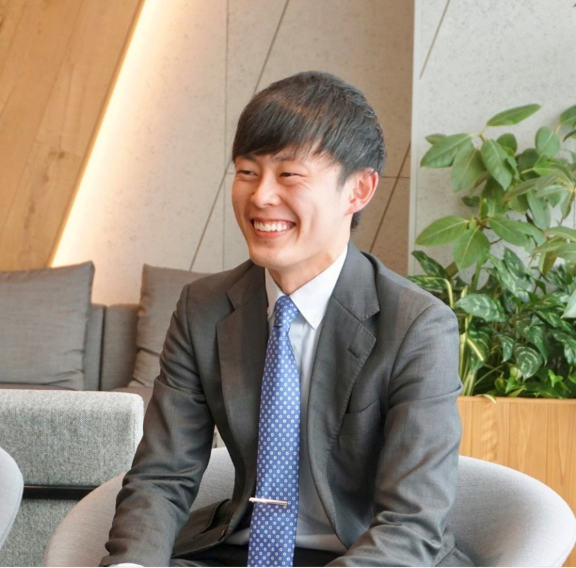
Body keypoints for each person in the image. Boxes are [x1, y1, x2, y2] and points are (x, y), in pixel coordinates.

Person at [101, 71, 474, 567]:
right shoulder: (203, 308)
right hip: (238, 549)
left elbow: (411, 523)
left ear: (359, 189)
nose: (260, 197)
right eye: (247, 171)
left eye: (289, 175)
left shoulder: (417, 325)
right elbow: (162, 477)